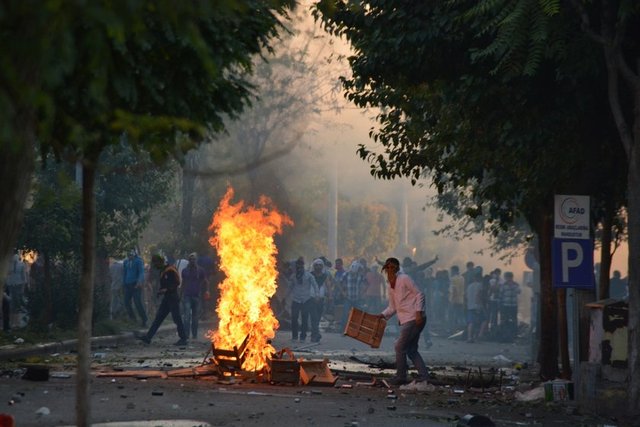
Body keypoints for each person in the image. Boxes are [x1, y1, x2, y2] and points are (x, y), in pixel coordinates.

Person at [378, 257, 430, 386]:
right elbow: (392, 307)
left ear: (396, 268)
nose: (390, 271)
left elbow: (420, 294)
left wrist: (418, 312)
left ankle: (401, 376)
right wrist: (382, 315)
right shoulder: (390, 285)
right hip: (407, 319)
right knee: (411, 349)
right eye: (387, 268)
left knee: (399, 346)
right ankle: (424, 376)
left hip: (414, 317)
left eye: (392, 268)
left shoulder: (404, 278)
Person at [138, 255, 188, 346]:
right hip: (167, 298)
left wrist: (167, 289)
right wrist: (160, 291)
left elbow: (177, 282)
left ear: (160, 262)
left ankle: (183, 338)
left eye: (156, 263)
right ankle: (148, 337)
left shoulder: (171, 270)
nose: (155, 265)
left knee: (177, 318)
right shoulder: (163, 271)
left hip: (173, 297)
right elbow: (164, 284)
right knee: (158, 317)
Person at [287, 257, 318, 342]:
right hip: (296, 300)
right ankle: (294, 336)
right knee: (294, 318)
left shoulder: (309, 275)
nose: (299, 268)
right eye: (298, 266)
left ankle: (303, 337)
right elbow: (289, 288)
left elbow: (315, 285)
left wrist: (316, 295)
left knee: (304, 318)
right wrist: (285, 297)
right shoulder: (293, 276)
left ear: (303, 266)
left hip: (306, 300)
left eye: (301, 266)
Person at [181, 252, 208, 340]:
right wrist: (181, 295)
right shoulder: (185, 271)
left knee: (195, 317)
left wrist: (206, 291)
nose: (192, 261)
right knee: (187, 316)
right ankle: (186, 335)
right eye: (191, 259)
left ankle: (194, 335)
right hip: (187, 296)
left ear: (196, 260)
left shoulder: (201, 271)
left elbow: (205, 281)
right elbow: (183, 283)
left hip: (196, 296)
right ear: (189, 261)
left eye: (194, 259)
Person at [122, 249, 148, 327]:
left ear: (134, 254)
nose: (129, 257)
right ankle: (133, 318)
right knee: (126, 302)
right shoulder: (126, 262)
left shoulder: (138, 261)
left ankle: (144, 319)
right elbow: (124, 273)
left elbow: (141, 272)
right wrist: (123, 283)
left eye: (131, 255)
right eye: (128, 255)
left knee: (137, 302)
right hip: (127, 284)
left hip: (136, 285)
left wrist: (139, 282)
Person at [5, 253, 28, 329]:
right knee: (11, 304)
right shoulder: (8, 265)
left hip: (18, 285)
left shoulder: (21, 265)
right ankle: (12, 322)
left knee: (17, 304)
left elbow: (24, 277)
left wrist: (23, 288)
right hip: (10, 286)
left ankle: (17, 322)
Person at [309, 258, 330, 343]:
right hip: (312, 299)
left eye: (320, 265)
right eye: (316, 265)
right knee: (314, 317)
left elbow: (328, 286)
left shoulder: (325, 276)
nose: (318, 267)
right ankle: (314, 336)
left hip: (321, 299)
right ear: (314, 266)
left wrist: (330, 295)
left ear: (322, 266)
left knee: (317, 318)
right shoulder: (310, 275)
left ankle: (316, 334)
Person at [498, 271, 521, 342]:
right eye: (507, 277)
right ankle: (503, 335)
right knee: (504, 320)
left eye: (508, 277)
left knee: (514, 320)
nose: (507, 279)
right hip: (505, 305)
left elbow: (519, 291)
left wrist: (512, 286)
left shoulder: (516, 284)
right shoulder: (503, 285)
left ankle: (513, 335)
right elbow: (500, 294)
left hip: (513, 305)